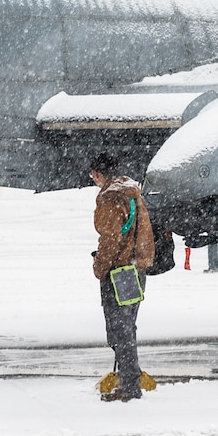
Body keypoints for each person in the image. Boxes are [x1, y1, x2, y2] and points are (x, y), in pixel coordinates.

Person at [89, 152, 156, 402]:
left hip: (119, 271)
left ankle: (129, 387)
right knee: (127, 328)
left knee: (119, 331)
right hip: (137, 269)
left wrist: (99, 267)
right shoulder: (133, 193)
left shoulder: (111, 197)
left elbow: (110, 239)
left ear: (97, 174)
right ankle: (130, 377)